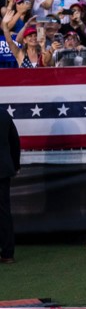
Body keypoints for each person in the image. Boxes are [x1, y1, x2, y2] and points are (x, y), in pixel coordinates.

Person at [0, 105, 21, 263]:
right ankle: (8, 254)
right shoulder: (4, 114)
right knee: (4, 212)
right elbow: (15, 141)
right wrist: (16, 165)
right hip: (3, 170)